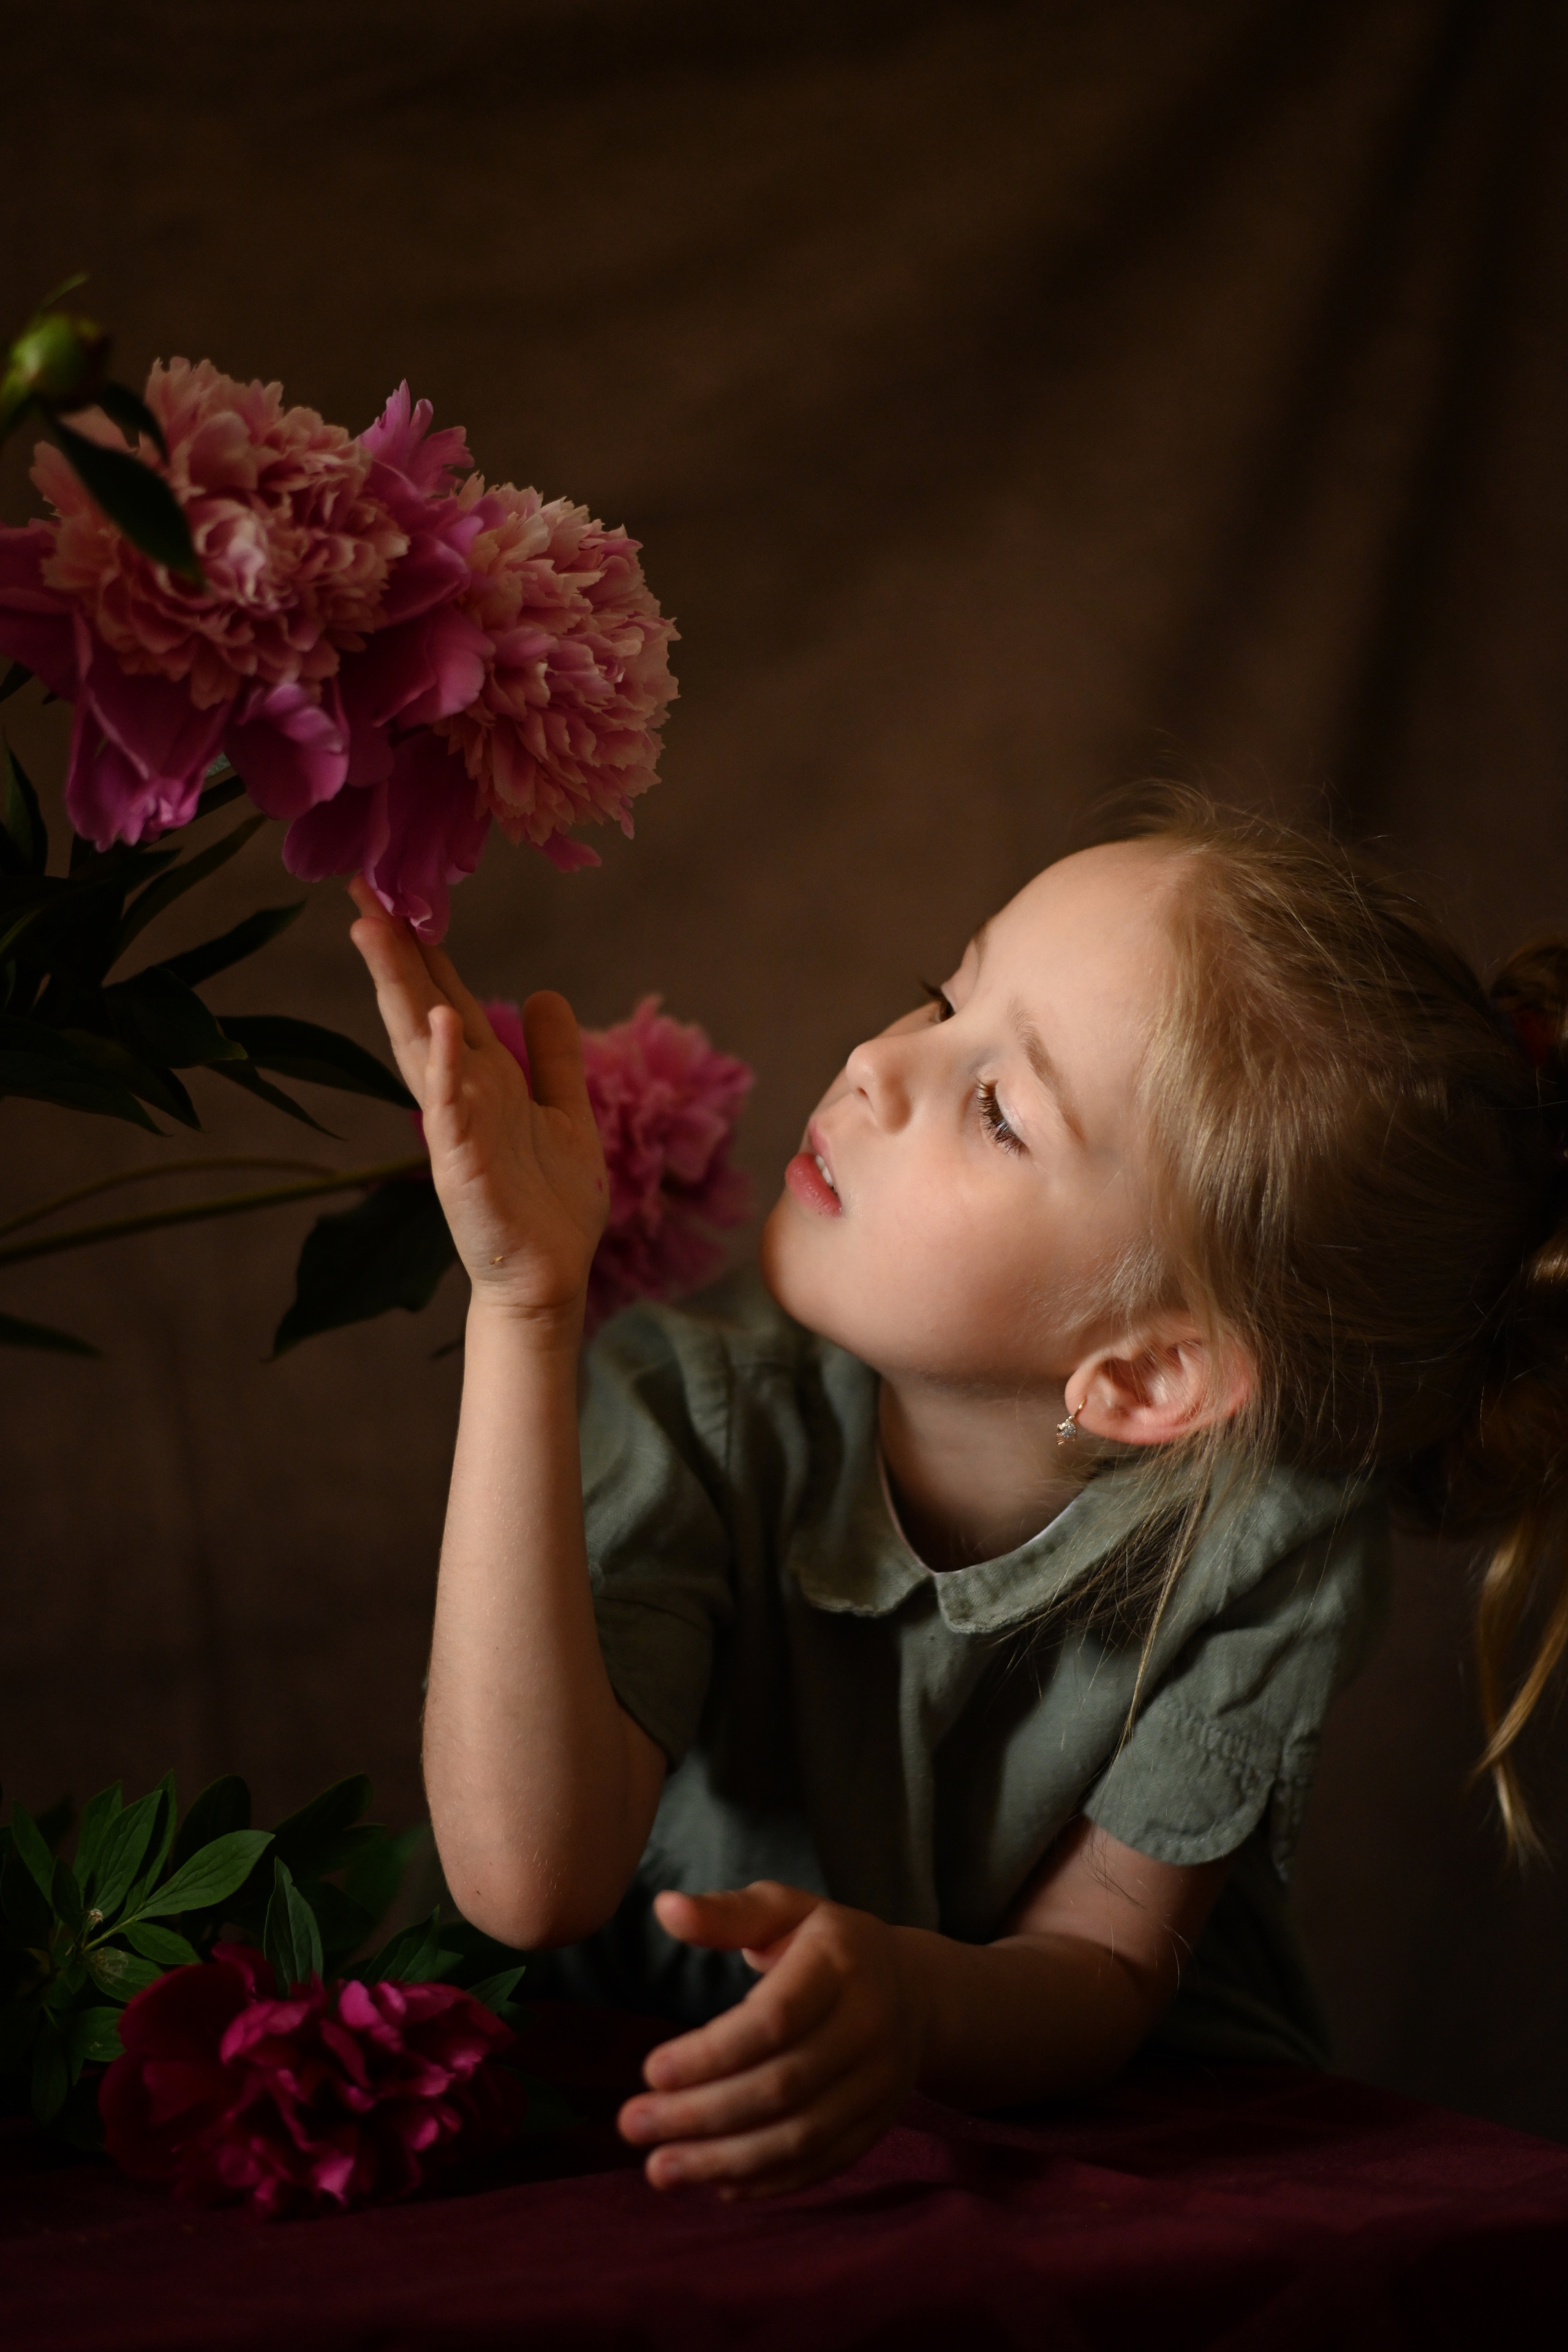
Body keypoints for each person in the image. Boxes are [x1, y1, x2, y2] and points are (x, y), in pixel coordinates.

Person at [348, 791, 1568, 2198]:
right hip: (639, 2085)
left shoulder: (1269, 1536)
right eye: (944, 992)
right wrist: (523, 1306)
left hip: (1091, 2122)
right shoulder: (694, 1406)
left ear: (1149, 1376)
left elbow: (1097, 1969)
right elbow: (522, 1882)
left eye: (997, 1109)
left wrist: (915, 2003)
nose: (875, 1061)